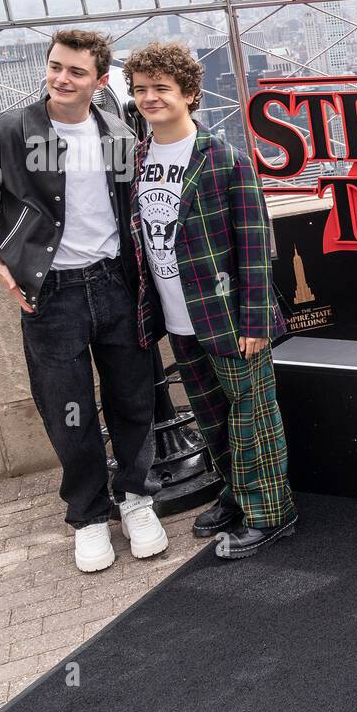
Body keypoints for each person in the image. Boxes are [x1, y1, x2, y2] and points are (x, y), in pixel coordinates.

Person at [0, 29, 167, 573]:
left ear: (101, 81)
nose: (62, 79)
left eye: (77, 72)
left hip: (117, 281)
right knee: (68, 409)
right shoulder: (10, 131)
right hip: (53, 292)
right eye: (56, 67)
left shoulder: (117, 128)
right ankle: (88, 517)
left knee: (134, 398)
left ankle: (136, 499)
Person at [122, 41, 296, 559]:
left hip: (230, 318)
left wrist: (256, 321)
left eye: (161, 89)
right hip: (179, 318)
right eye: (141, 90)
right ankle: (234, 495)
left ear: (189, 94)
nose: (150, 98)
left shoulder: (224, 160)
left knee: (252, 417)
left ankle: (272, 512)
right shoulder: (139, 156)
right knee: (211, 415)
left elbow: (256, 242)